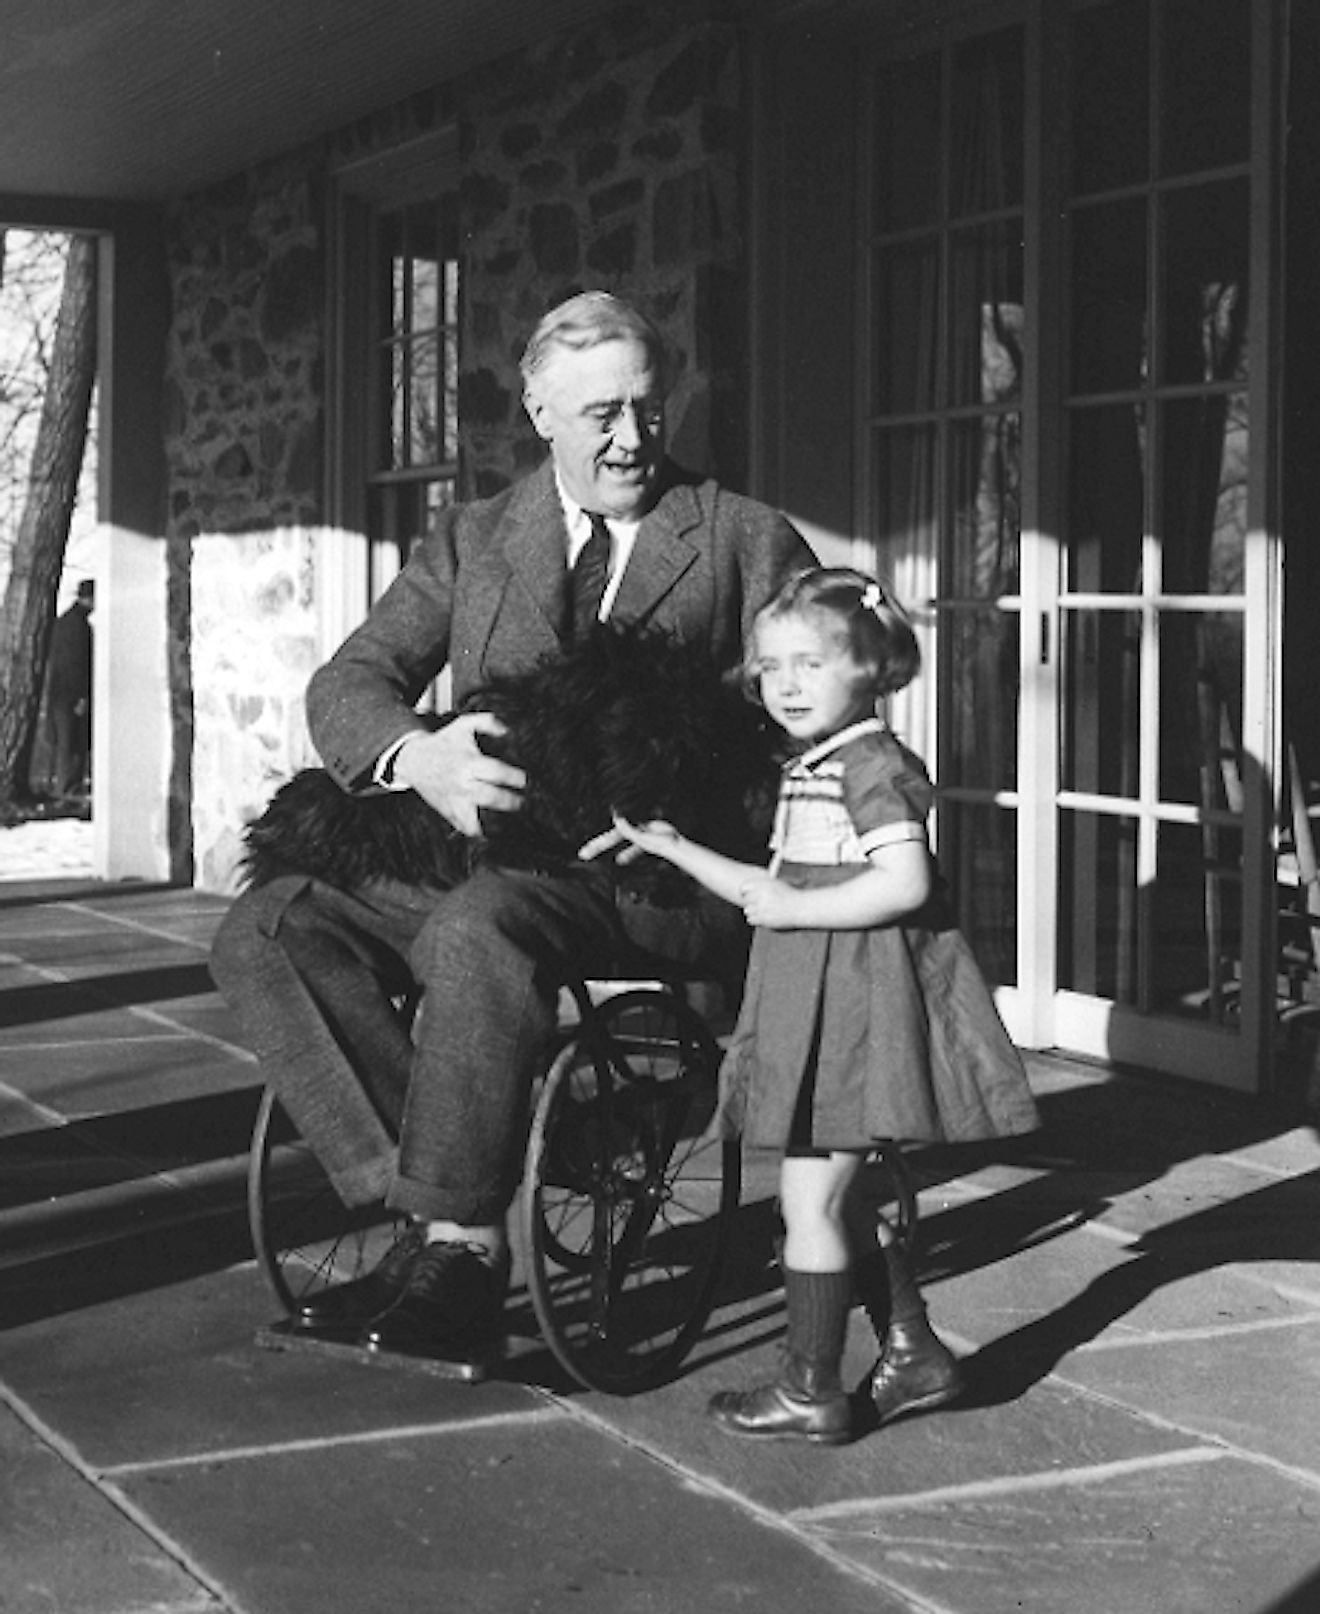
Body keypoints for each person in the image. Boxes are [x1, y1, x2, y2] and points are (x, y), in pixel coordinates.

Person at [210, 290, 815, 1370]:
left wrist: (699, 816)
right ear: (541, 411)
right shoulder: (480, 535)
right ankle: (440, 1205)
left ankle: (466, 1251)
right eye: (602, 417)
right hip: (490, 857)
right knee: (269, 924)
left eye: (647, 408)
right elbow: (351, 678)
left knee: (478, 927)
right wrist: (417, 757)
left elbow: (811, 732)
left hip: (650, 882)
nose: (634, 438)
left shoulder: (742, 539)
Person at [607, 566, 1040, 1444]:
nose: (786, 685)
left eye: (811, 663)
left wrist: (799, 908)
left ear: (872, 668)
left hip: (856, 1011)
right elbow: (770, 886)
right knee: (833, 1198)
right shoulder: (817, 764)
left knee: (809, 1202)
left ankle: (813, 1389)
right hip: (819, 1003)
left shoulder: (873, 766)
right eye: (769, 667)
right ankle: (914, 1351)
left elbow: (905, 882)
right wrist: (675, 847)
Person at [42, 578, 94, 803]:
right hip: (70, 694)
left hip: (60, 693)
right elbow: (76, 663)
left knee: (66, 742)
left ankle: (64, 787)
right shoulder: (77, 626)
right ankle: (68, 789)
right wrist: (81, 696)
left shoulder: (65, 622)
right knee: (71, 743)